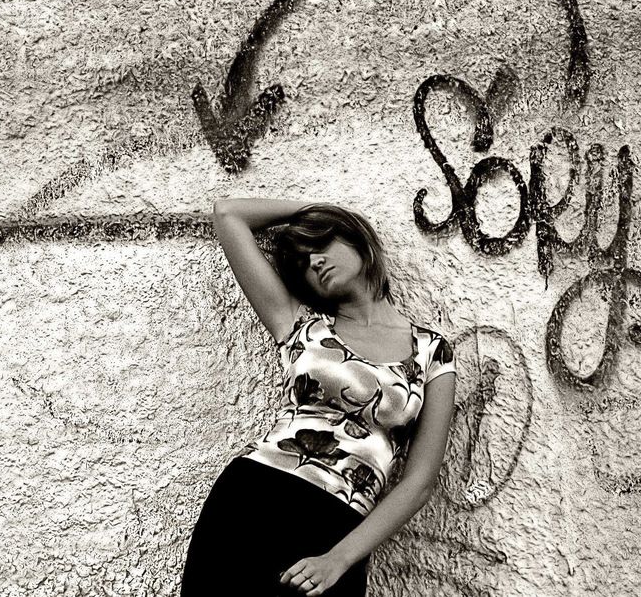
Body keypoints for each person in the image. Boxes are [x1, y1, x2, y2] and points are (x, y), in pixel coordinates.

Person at [180, 198, 457, 596]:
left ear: (357, 239)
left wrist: (339, 558)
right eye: (304, 262)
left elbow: (420, 482)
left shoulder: (432, 352)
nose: (314, 262)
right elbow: (228, 214)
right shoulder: (300, 324)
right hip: (252, 501)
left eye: (322, 243)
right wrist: (312, 211)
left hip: (340, 529)